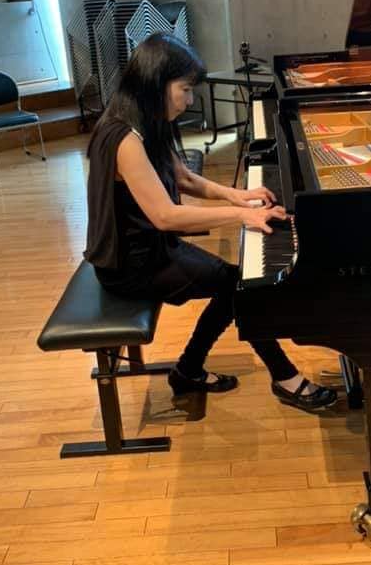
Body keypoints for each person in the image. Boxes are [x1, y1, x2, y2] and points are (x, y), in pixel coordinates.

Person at [84, 32, 337, 413]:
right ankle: (282, 377)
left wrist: (236, 195)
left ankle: (190, 370)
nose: (189, 100)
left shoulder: (145, 120)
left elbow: (183, 178)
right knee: (239, 287)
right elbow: (165, 216)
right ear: (156, 83)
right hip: (129, 265)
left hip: (151, 248)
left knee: (236, 284)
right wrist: (242, 215)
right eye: (185, 89)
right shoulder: (126, 139)